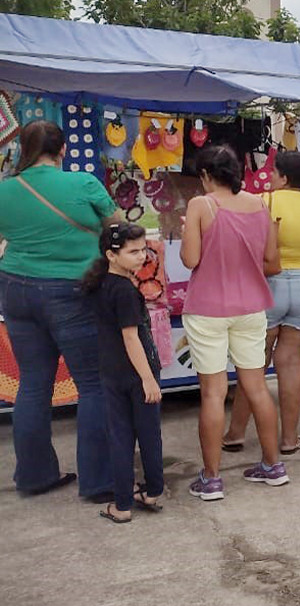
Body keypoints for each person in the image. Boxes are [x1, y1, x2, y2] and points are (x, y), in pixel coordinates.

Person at [0, 120, 119, 501]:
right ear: (64, 149)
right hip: (72, 290)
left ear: (23, 149)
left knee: (33, 384)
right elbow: (115, 228)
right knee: (93, 385)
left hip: (15, 288)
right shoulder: (82, 184)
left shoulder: (5, 190)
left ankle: (34, 477)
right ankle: (99, 482)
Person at [181, 145, 286, 500]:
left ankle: (211, 479)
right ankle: (273, 465)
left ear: (207, 175)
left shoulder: (201, 205)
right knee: (256, 387)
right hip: (251, 306)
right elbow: (272, 260)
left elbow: (190, 258)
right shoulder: (259, 204)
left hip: (208, 307)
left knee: (213, 393)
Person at [223, 151, 300, 459]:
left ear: (285, 177)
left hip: (269, 287)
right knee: (291, 363)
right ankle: (288, 438)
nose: (270, 176)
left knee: (253, 364)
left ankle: (235, 433)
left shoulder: (265, 202)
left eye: (274, 172)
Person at [83, 223, 164, 523]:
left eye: (143, 249)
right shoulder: (124, 291)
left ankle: (122, 504)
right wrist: (147, 378)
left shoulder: (101, 282)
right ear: (111, 254)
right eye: (133, 251)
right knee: (148, 433)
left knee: (120, 438)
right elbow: (131, 337)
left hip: (112, 370)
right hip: (136, 372)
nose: (141, 256)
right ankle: (152, 491)